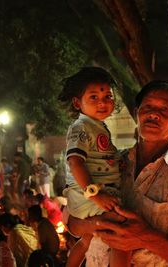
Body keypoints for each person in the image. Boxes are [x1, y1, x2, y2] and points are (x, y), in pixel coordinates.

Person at [70, 80, 168, 266]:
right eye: (147, 107)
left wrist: (145, 237)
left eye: (164, 110)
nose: (153, 114)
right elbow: (73, 223)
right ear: (137, 113)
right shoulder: (110, 163)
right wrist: (97, 224)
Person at [58, 66, 127, 266]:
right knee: (121, 228)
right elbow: (75, 162)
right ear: (77, 103)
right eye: (94, 97)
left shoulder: (97, 126)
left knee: (86, 239)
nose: (103, 103)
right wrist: (95, 195)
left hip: (92, 196)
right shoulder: (81, 127)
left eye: (108, 96)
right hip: (88, 196)